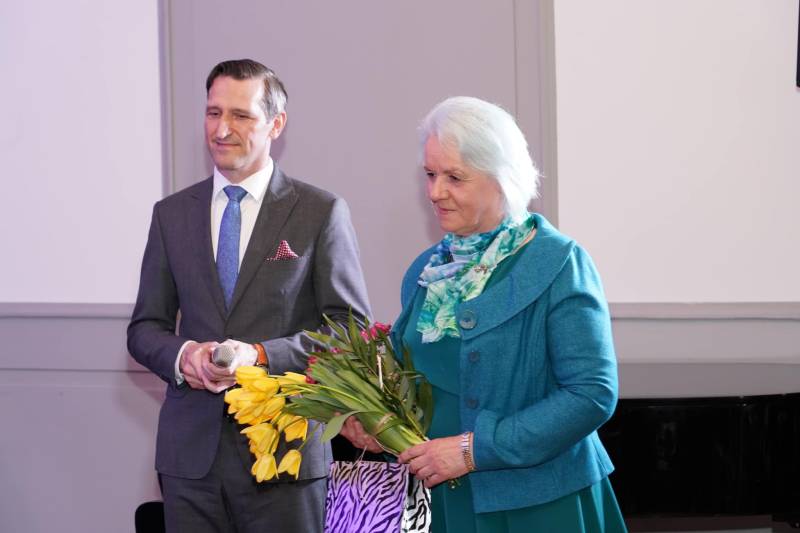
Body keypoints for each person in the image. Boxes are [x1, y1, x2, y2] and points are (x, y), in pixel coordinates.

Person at [341, 96, 626, 532]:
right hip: (442, 503)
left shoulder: (559, 262)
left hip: (541, 505)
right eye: (430, 174)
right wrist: (367, 417)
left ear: (502, 178)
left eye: (455, 177)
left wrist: (473, 451)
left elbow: (592, 393)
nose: (435, 192)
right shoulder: (425, 271)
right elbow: (410, 380)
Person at [127, 59, 371, 533]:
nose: (222, 130)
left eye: (240, 115)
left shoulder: (319, 211)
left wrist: (259, 355)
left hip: (285, 457)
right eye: (213, 113)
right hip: (189, 461)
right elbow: (144, 329)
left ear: (276, 125)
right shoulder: (171, 214)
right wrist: (184, 354)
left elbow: (351, 332)